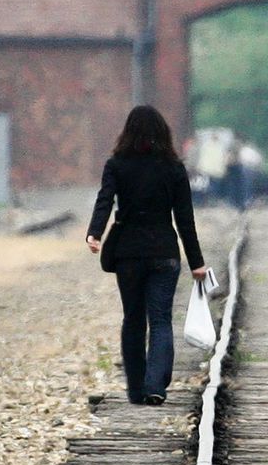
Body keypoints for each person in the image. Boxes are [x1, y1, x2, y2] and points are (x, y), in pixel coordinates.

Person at [85, 105, 207, 406]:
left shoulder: (117, 164)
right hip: (164, 251)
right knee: (162, 319)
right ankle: (156, 386)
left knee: (133, 319)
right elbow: (184, 219)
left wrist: (95, 232)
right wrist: (197, 262)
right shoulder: (173, 168)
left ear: (127, 131)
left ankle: (136, 389)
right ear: (163, 133)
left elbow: (105, 200)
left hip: (128, 253)